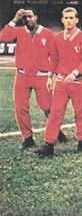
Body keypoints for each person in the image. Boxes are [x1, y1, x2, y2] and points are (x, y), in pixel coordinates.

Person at [0, 8, 67, 150]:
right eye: (24, 17)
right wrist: (15, 18)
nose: (27, 19)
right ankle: (28, 138)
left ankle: (56, 131)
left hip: (41, 75)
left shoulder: (47, 33)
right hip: (22, 75)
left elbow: (54, 57)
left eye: (30, 16)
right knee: (20, 107)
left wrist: (50, 75)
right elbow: (3, 37)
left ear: (36, 17)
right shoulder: (18, 31)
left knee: (47, 107)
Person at [34, 7, 82, 157]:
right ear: (62, 20)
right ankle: (49, 144)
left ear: (77, 20)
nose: (68, 20)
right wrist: (49, 76)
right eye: (66, 18)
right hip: (61, 81)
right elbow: (54, 59)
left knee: (79, 112)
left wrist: (75, 72)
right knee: (55, 112)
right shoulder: (58, 37)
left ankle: (81, 140)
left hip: (78, 81)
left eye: (71, 18)